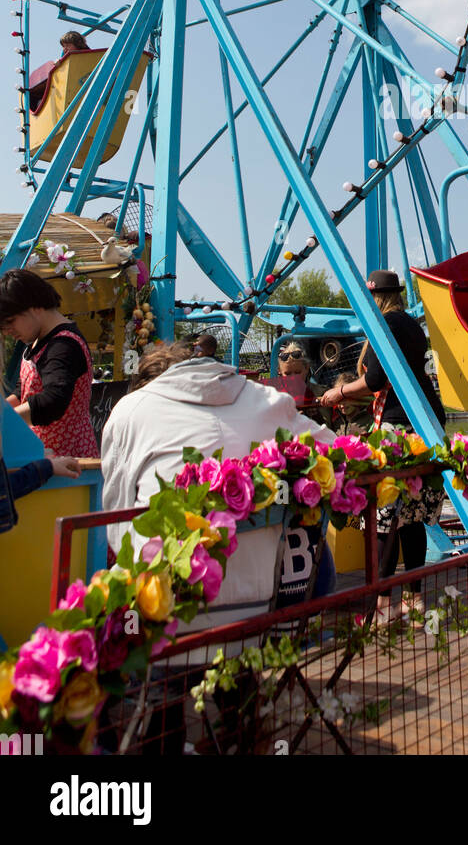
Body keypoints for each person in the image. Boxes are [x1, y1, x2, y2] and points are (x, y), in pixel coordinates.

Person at [102, 340, 337, 628]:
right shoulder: (269, 402)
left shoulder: (130, 411)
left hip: (164, 616)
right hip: (262, 607)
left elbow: (118, 522)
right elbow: (337, 450)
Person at [320, 270, 446, 624]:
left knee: (383, 517)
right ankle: (415, 600)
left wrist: (339, 392)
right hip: (424, 423)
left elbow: (375, 380)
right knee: (413, 517)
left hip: (396, 428)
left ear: (375, 298)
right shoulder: (410, 324)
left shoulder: (386, 325)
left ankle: (383, 606)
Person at [0, 269, 99, 458]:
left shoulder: (64, 346)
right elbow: (22, 393)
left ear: (34, 306)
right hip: (45, 457)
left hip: (70, 461)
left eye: (11, 321)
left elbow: (53, 400)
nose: (7, 332)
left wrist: (5, 421)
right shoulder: (38, 341)